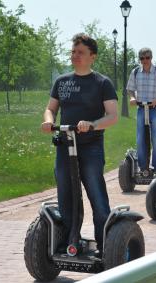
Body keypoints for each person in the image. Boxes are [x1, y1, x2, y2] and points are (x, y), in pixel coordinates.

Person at [41, 33, 118, 253]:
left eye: (80, 52)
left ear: (92, 56)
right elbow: (51, 109)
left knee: (95, 192)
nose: (75, 56)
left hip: (90, 147)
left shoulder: (102, 83)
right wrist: (48, 121)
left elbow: (112, 116)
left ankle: (106, 246)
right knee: (65, 194)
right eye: (73, 52)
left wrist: (92, 124)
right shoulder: (62, 82)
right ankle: (68, 241)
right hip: (65, 145)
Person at [126, 48, 156, 176]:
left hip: (155, 109)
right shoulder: (135, 72)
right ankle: (143, 167)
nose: (145, 60)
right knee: (140, 138)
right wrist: (133, 98)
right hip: (141, 109)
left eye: (147, 58)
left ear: (151, 57)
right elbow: (130, 89)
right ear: (139, 59)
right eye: (142, 58)